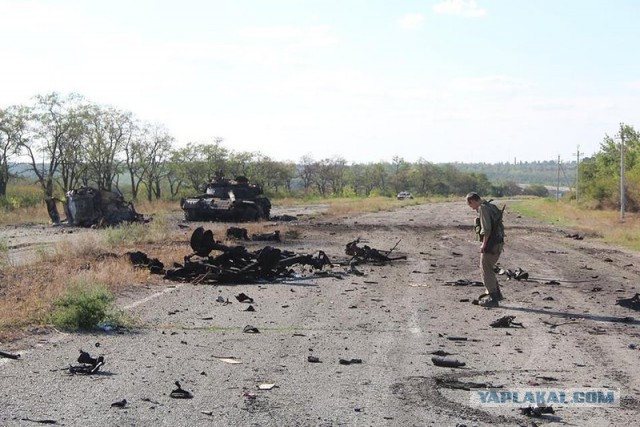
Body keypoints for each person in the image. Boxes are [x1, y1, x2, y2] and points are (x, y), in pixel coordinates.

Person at [466, 192, 505, 307]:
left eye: (470, 204)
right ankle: (496, 294)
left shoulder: (483, 209)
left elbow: (486, 229)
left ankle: (493, 297)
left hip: (491, 244)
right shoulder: (490, 206)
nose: (471, 207)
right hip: (498, 243)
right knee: (489, 268)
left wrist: (484, 244)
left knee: (485, 269)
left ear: (473, 201)